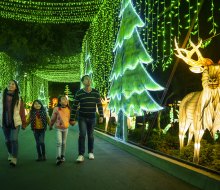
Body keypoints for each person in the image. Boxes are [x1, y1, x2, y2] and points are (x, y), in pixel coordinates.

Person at [70, 75, 104, 163]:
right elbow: (74, 106)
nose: (88, 80)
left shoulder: (96, 92)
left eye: (89, 79)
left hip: (92, 117)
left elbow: (99, 104)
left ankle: (90, 152)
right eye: (86, 79)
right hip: (82, 118)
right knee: (82, 135)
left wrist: (101, 115)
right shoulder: (79, 93)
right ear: (83, 82)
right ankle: (81, 154)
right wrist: (72, 118)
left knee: (91, 135)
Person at [0, 80, 26, 166]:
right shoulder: (1, 96)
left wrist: (24, 122)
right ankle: (10, 153)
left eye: (13, 84)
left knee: (14, 139)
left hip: (15, 121)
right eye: (9, 84)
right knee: (7, 140)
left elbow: (22, 111)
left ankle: (14, 158)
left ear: (15, 87)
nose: (10, 85)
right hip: (5, 121)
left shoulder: (18, 97)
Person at [50, 95, 70, 166]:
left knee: (64, 142)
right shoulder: (56, 109)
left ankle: (62, 155)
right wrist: (51, 125)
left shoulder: (68, 109)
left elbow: (70, 118)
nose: (65, 100)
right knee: (59, 142)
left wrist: (72, 122)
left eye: (66, 99)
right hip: (58, 128)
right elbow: (53, 118)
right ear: (60, 101)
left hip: (66, 128)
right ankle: (58, 157)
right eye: (63, 99)